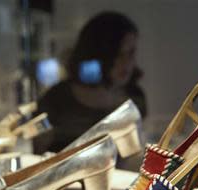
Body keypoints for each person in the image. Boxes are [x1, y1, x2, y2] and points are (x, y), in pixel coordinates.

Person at [34, 11, 147, 155]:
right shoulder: (55, 99)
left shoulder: (135, 96)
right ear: (98, 53)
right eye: (117, 54)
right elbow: (38, 154)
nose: (126, 63)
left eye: (130, 53)